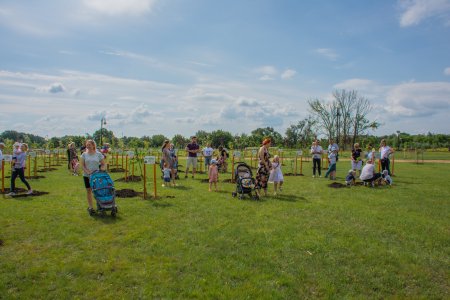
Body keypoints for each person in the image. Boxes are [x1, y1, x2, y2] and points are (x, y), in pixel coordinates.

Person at [80, 139, 106, 215]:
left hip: (97, 175)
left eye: (89, 145)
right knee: (89, 191)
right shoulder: (84, 154)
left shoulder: (98, 154)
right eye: (87, 145)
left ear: (93, 145)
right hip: (87, 176)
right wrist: (87, 171)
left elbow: (103, 164)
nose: (87, 146)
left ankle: (100, 206)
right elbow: (82, 165)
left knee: (98, 190)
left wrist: (102, 169)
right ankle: (91, 207)